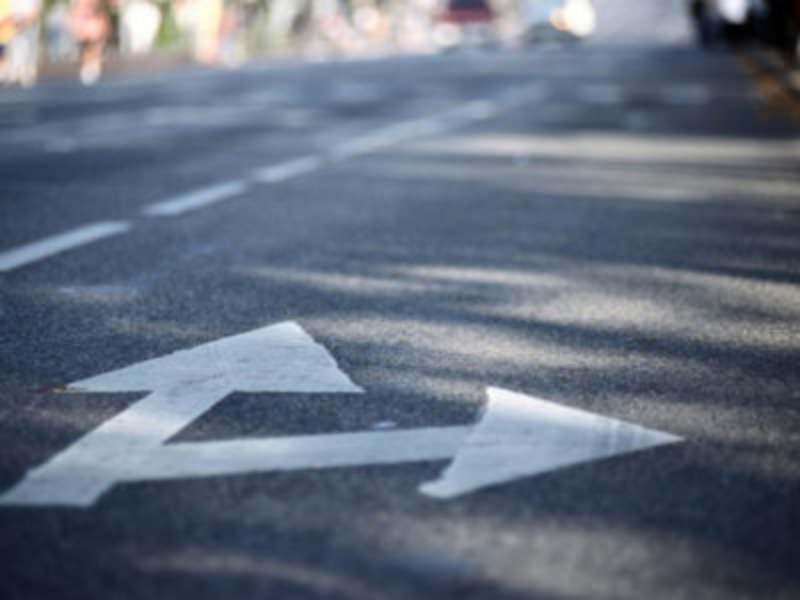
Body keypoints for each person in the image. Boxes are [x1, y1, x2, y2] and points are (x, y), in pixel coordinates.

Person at [69, 0, 111, 84]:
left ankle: (95, 71)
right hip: (85, 29)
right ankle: (88, 71)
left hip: (94, 29)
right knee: (87, 50)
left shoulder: (98, 12)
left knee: (95, 49)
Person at [5, 0, 42, 87]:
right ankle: (15, 72)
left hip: (30, 26)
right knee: (15, 48)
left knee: (29, 49)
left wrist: (25, 22)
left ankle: (27, 73)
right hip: (16, 27)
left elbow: (35, 13)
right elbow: (11, 13)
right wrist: (16, 23)